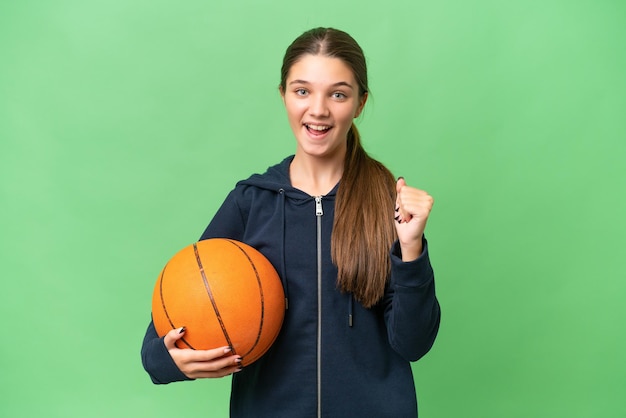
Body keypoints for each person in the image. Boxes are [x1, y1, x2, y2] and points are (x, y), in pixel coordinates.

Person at [141, 27, 441, 418]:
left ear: (360, 103)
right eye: (302, 91)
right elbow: (159, 340)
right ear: (283, 95)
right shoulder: (251, 202)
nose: (318, 109)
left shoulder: (389, 203)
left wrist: (412, 248)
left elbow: (413, 343)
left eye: (338, 93)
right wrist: (170, 360)